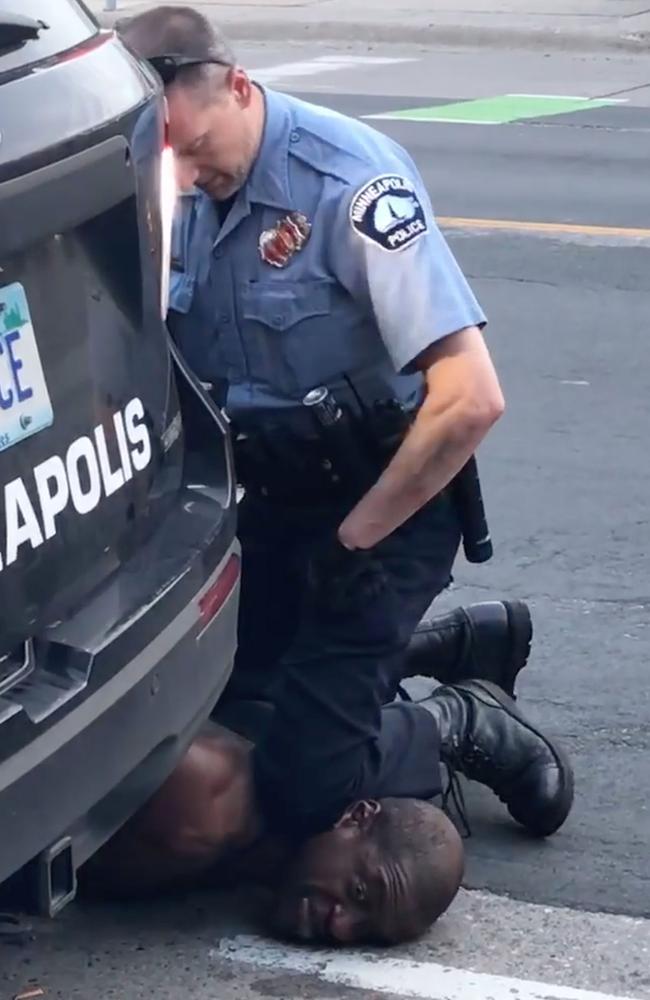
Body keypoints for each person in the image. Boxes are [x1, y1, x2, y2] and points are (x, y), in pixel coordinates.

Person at [109, 9, 574, 941]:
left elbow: (470, 398)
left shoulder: (348, 182)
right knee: (230, 708)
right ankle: (420, 653)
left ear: (235, 86)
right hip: (267, 497)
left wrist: (358, 536)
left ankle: (456, 718)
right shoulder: (172, 185)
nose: (182, 175)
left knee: (301, 779)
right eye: (163, 156)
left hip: (384, 505)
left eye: (190, 147)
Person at [83, 663, 574, 946]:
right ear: (354, 817)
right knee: (316, 767)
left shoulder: (311, 872)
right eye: (359, 893)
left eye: (366, 934)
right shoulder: (205, 806)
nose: (340, 928)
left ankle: (427, 650)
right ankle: (454, 718)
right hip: (246, 693)